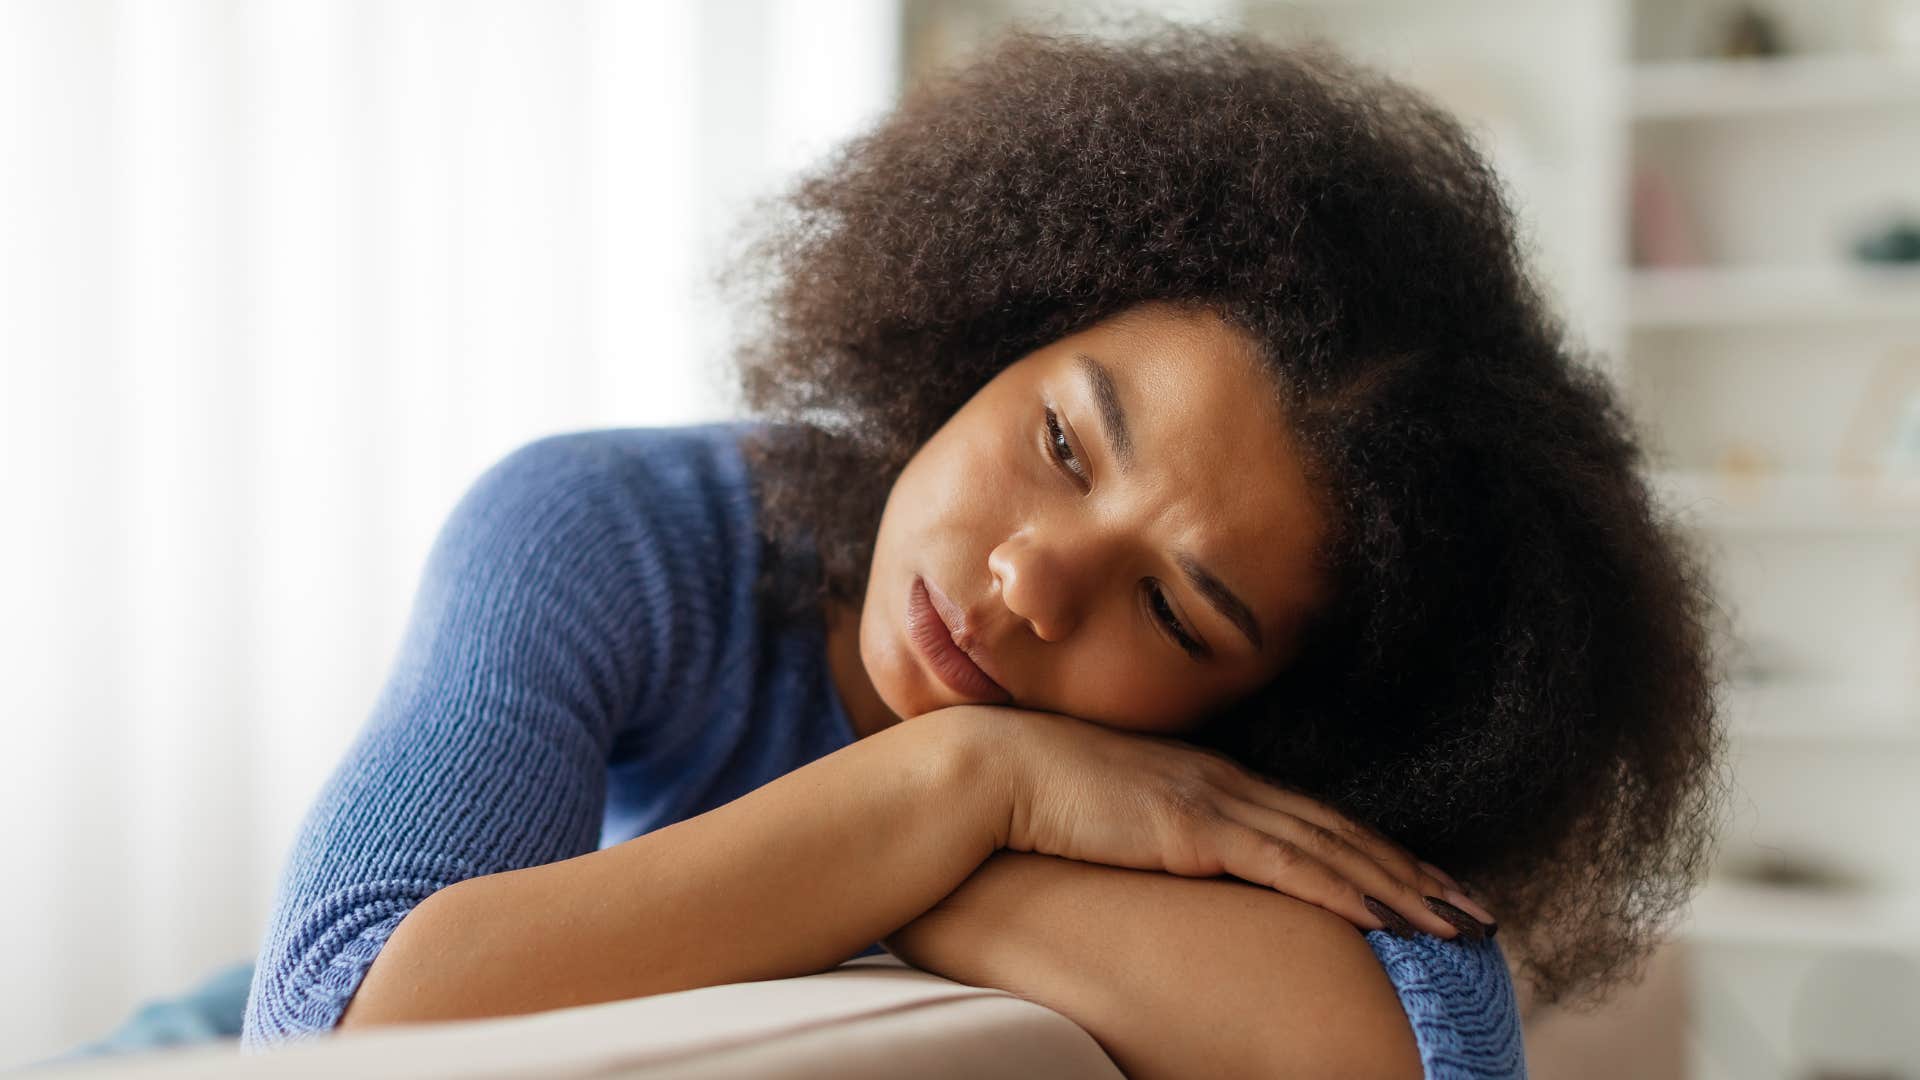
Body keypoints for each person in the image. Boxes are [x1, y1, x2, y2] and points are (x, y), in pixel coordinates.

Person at [74, 20, 1724, 1080]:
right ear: (989, 331)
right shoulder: (609, 532)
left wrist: (925, 866)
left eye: (1176, 606)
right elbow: (341, 1023)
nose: (1029, 581)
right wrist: (971, 791)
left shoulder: (1208, 770)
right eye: (1063, 441)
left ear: (1266, 709)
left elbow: (1428, 1054)